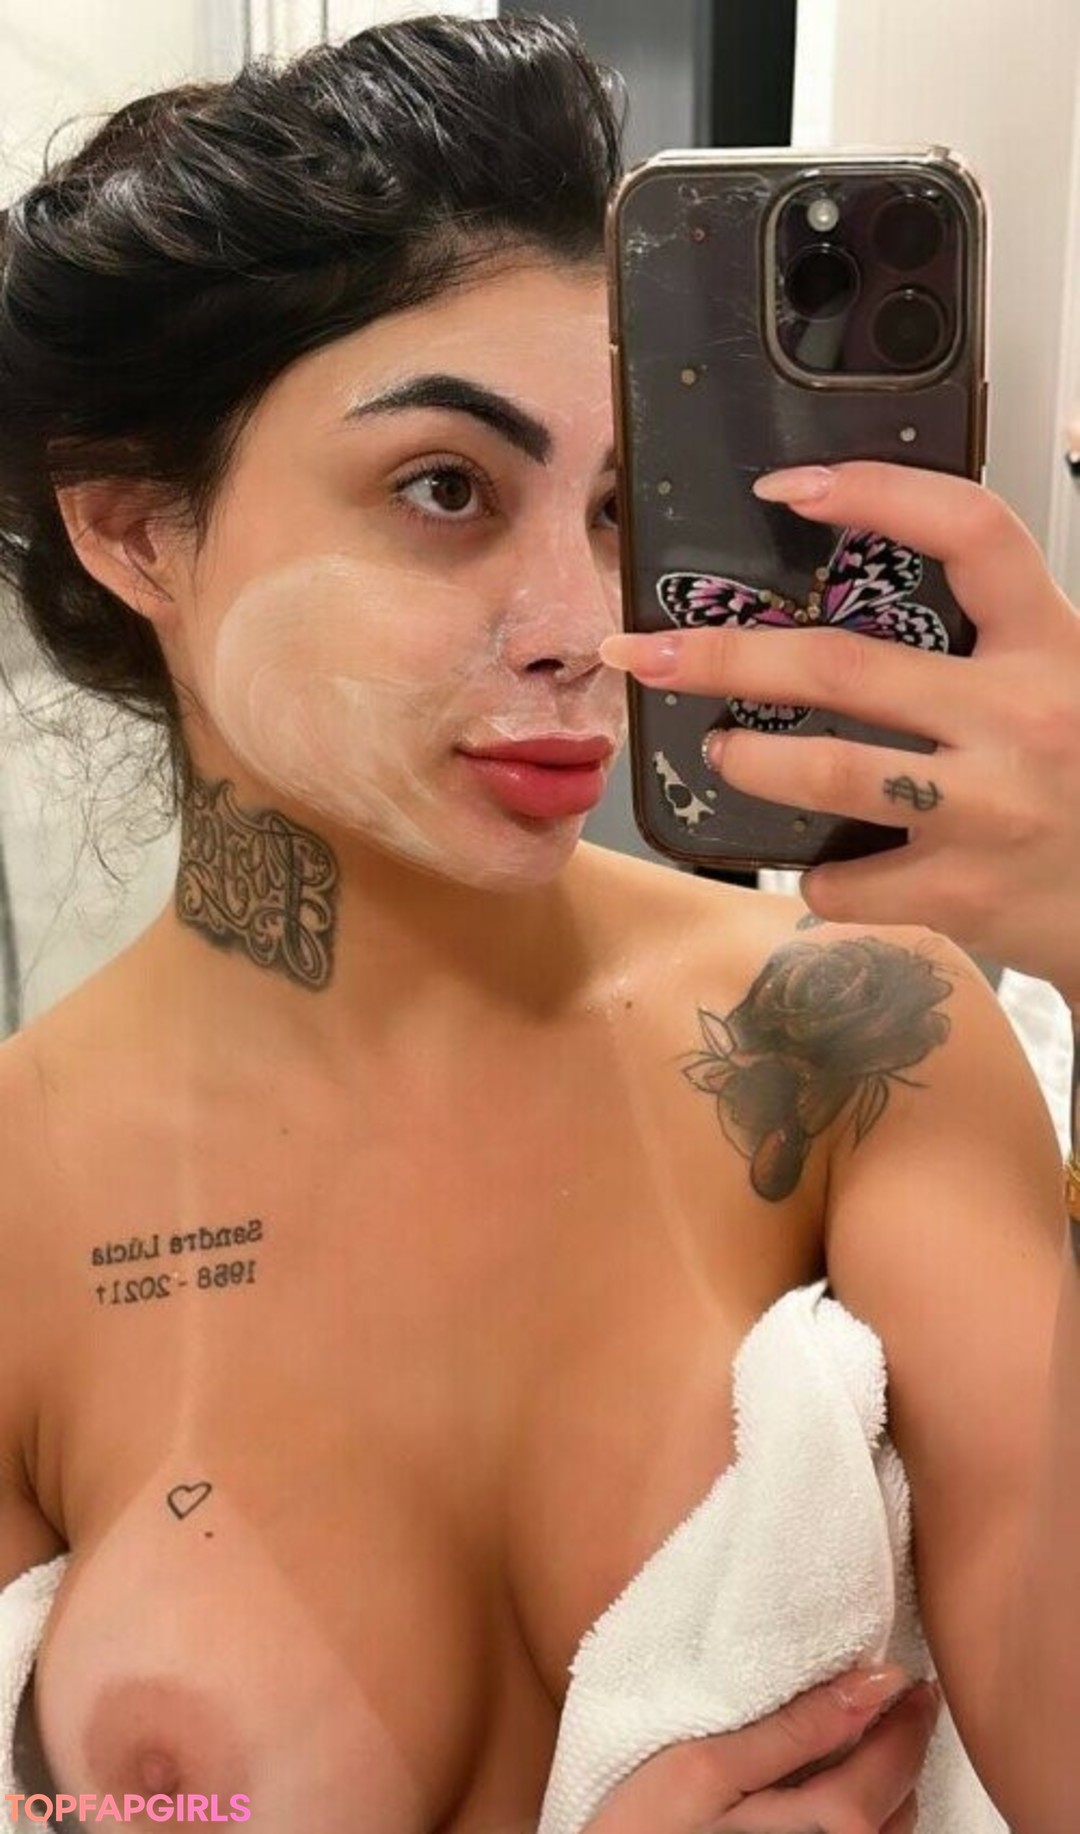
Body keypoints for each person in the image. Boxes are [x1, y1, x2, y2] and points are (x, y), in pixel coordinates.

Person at [0, 14, 1072, 1834]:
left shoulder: (849, 1042)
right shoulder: (21, 1203)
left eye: (618, 505)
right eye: (447, 491)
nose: (588, 628)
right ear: (135, 532)